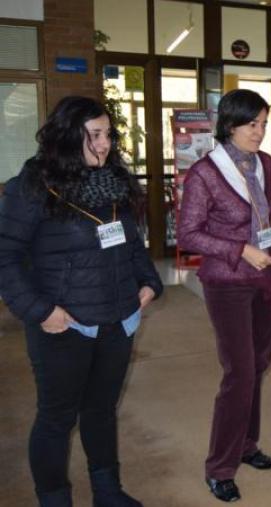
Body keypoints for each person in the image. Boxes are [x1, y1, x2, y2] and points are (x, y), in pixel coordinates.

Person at [0, 96, 163, 507]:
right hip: (64, 324)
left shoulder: (114, 183)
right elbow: (6, 256)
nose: (104, 144)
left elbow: (130, 242)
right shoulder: (34, 186)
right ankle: (55, 500)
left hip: (116, 320)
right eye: (94, 135)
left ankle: (107, 491)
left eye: (108, 134)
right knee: (56, 419)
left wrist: (147, 281)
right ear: (69, 136)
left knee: (101, 411)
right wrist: (39, 311)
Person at [178, 89, 271, 503]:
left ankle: (247, 446)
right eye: (251, 124)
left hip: (263, 276)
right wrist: (239, 249)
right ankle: (219, 467)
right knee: (239, 372)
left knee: (258, 364)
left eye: (263, 123)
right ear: (229, 125)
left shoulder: (266, 164)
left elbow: (265, 217)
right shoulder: (206, 172)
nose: (259, 132)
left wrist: (268, 256)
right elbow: (189, 234)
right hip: (226, 281)